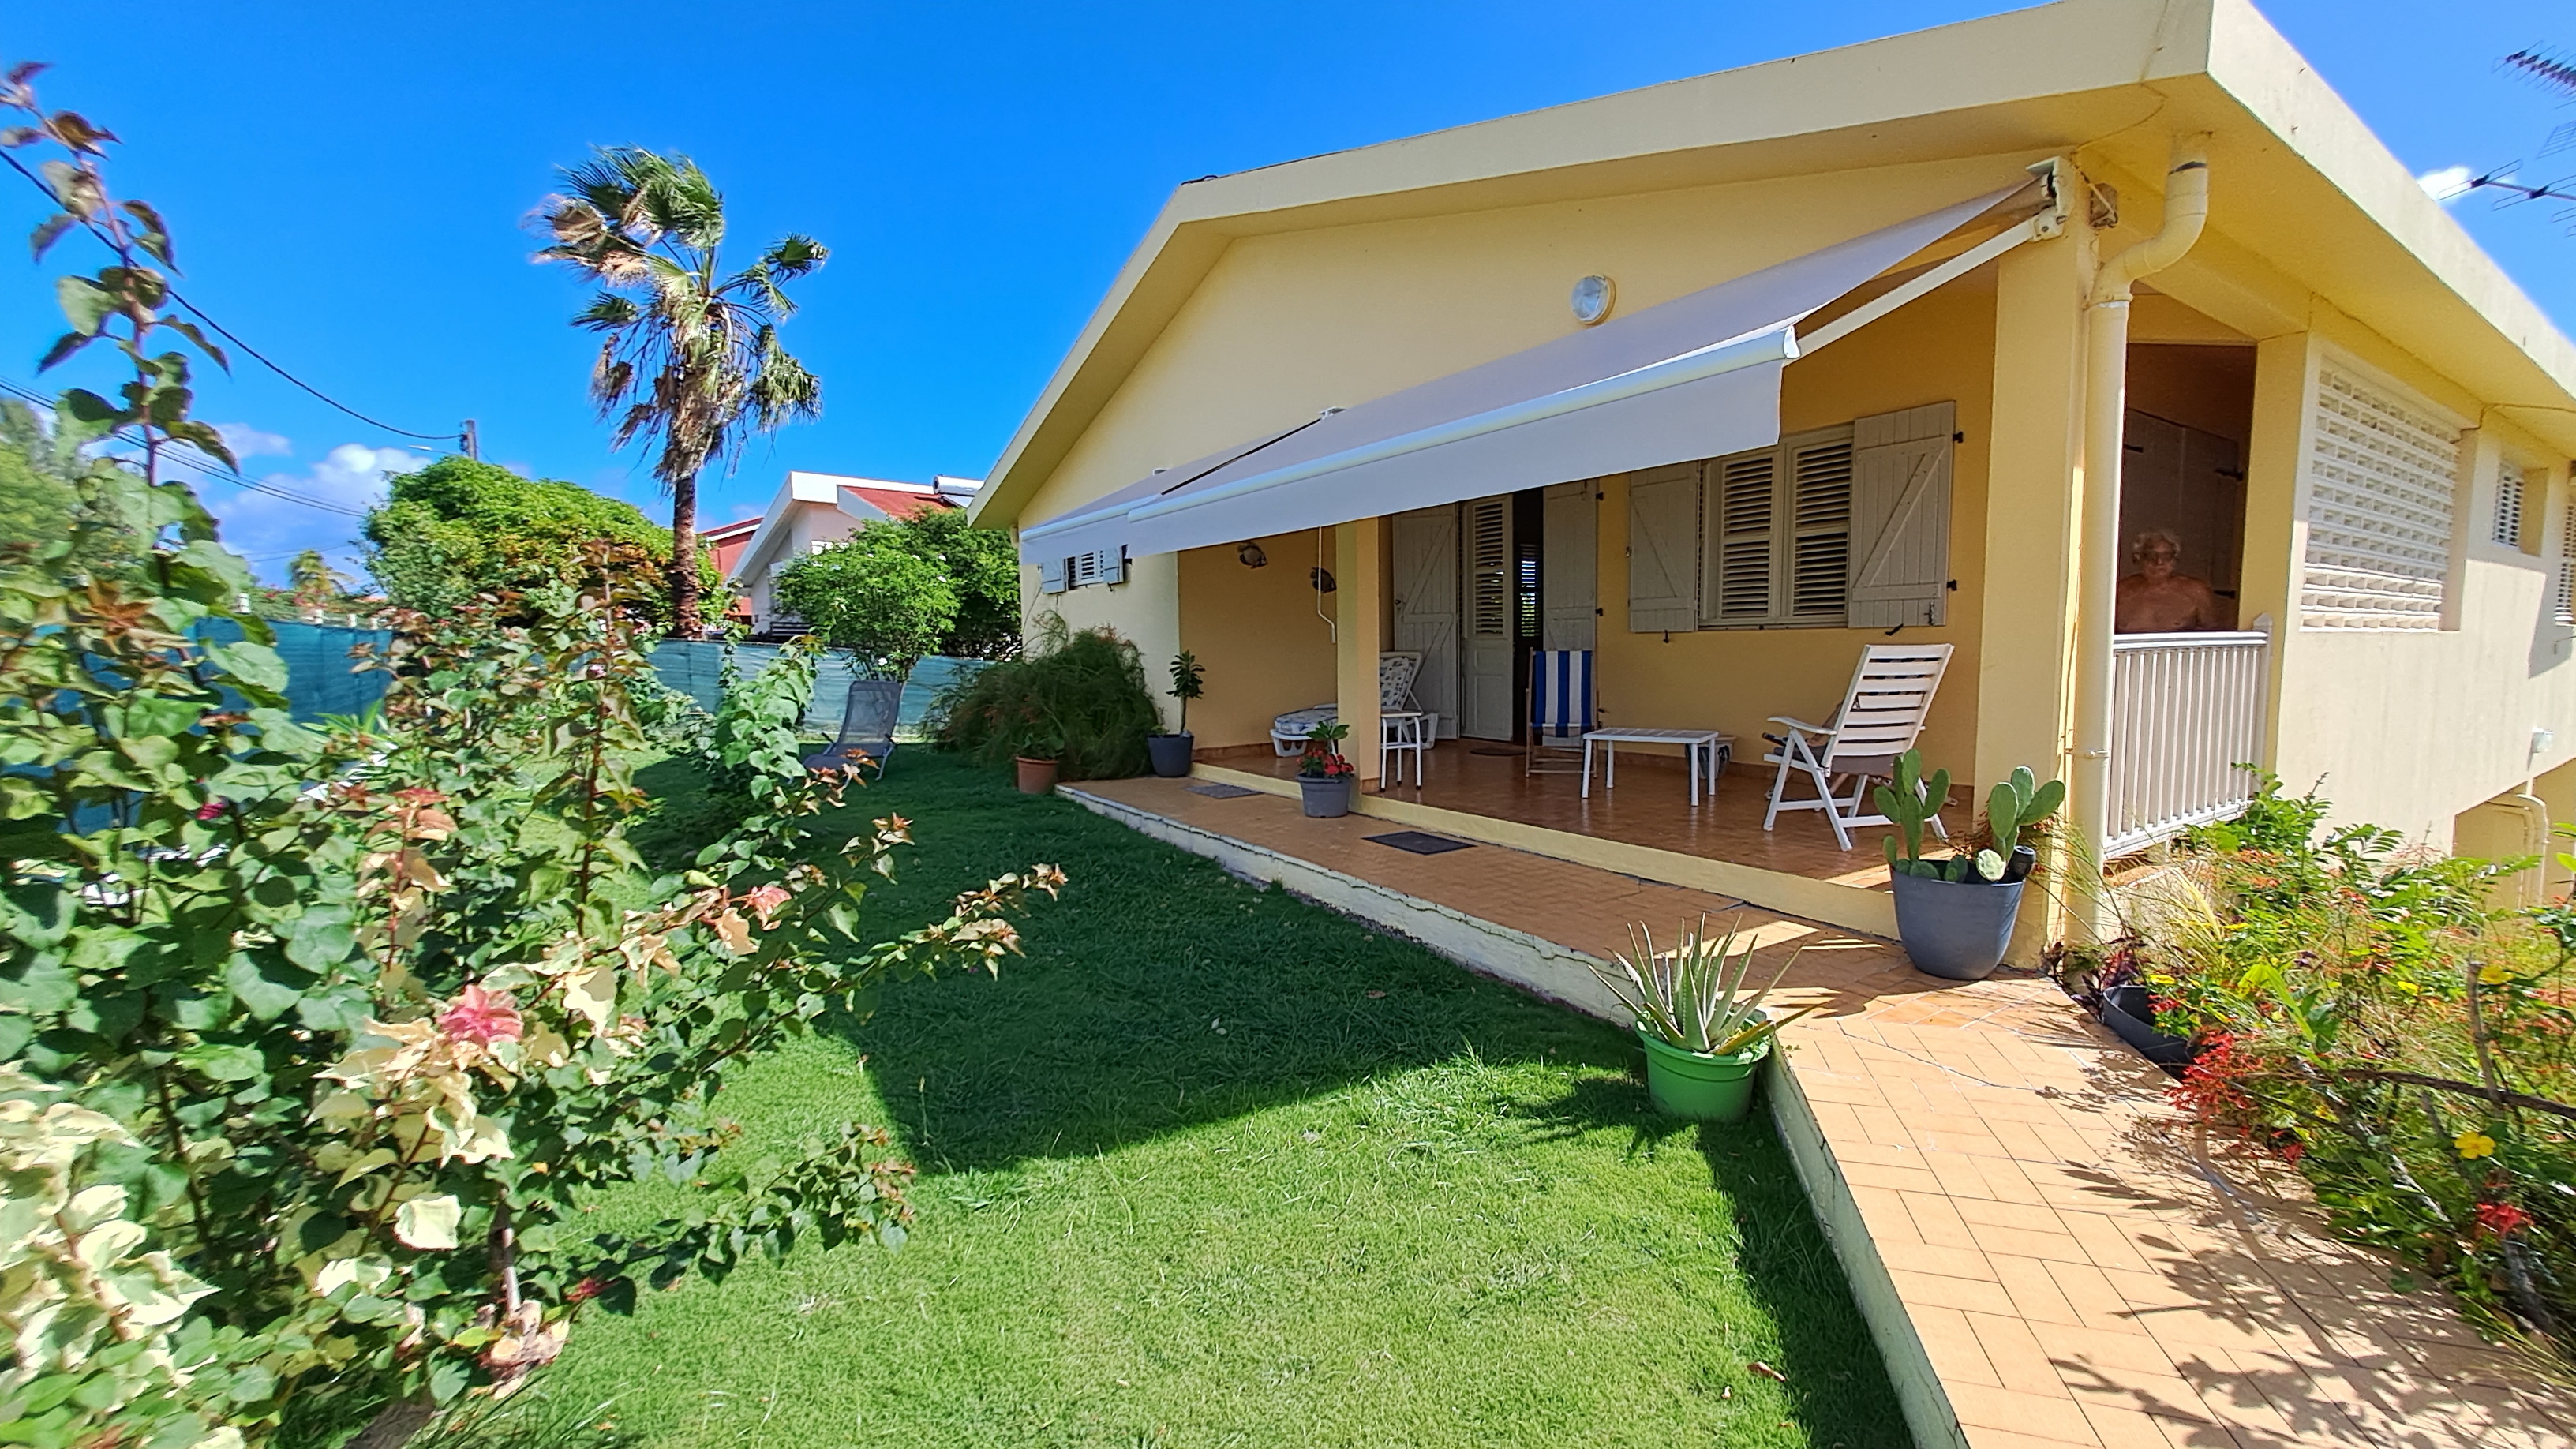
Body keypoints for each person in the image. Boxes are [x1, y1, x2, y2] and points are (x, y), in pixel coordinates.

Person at [2114, 527, 2227, 632]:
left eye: (2167, 556)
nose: (2159, 562)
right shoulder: (2119, 592)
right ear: (2138, 558)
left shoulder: (2197, 592)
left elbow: (2213, 634)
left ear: (2174, 559)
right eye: (2151, 556)